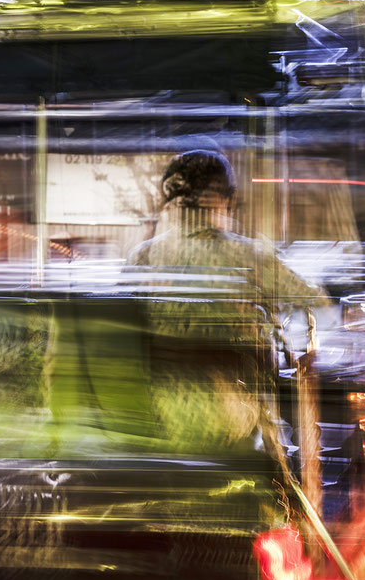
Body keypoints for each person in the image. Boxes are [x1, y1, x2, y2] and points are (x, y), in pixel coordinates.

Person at [127, 149, 327, 455]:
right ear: (226, 199)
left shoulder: (141, 256)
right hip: (230, 422)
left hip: (154, 419)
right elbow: (315, 301)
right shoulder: (248, 255)